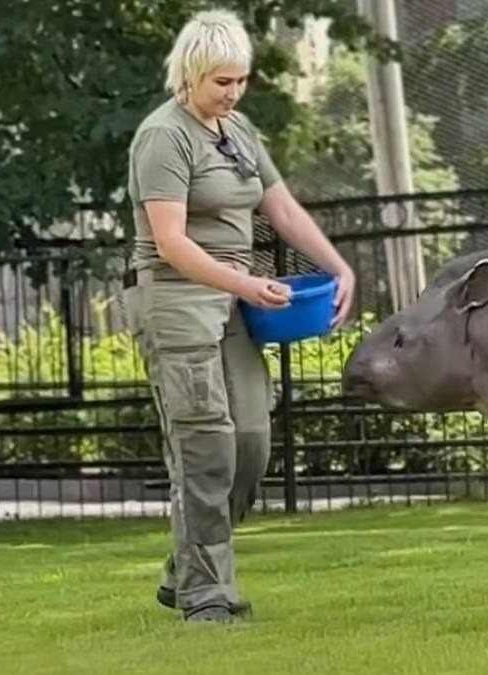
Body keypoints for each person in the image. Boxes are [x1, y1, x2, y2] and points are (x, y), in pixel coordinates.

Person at [121, 7, 356, 623]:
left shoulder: (240, 130)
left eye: (241, 80)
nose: (233, 92)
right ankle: (207, 595)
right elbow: (171, 241)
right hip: (177, 300)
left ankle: (183, 567)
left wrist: (340, 268)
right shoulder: (162, 136)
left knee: (250, 442)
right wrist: (247, 284)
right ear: (191, 74)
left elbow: (282, 210)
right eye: (221, 82)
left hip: (233, 300)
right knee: (204, 451)